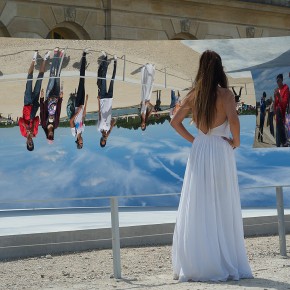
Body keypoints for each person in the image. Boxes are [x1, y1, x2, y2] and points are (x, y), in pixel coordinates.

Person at [171, 50, 252, 282]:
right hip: (220, 149)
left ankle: (198, 261)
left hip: (200, 149)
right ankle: (222, 258)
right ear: (219, 69)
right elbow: (234, 121)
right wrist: (236, 142)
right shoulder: (225, 94)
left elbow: (174, 122)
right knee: (222, 202)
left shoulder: (194, 95)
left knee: (198, 201)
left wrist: (195, 140)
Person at [18, 50, 50, 151]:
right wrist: (32, 128)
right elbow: (37, 119)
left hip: (27, 104)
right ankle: (45, 59)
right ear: (33, 143)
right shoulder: (35, 133)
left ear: (27, 143)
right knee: (40, 80)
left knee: (29, 80)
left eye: (29, 144)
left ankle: (33, 60)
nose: (30, 142)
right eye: (32, 144)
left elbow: (20, 120)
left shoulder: (23, 133)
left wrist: (26, 127)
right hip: (35, 104)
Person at [40, 47, 64, 144]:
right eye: (52, 137)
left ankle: (55, 54)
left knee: (52, 74)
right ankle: (59, 57)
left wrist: (41, 98)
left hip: (48, 96)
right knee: (58, 75)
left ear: (47, 135)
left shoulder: (44, 125)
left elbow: (42, 111)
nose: (51, 135)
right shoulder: (56, 125)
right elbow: (58, 110)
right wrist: (61, 98)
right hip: (57, 97)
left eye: (49, 137)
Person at [97, 51, 117, 147]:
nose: (104, 138)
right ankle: (115, 62)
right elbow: (114, 121)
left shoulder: (99, 128)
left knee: (103, 78)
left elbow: (99, 113)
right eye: (104, 140)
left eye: (102, 140)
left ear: (100, 139)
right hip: (109, 99)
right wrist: (109, 133)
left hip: (102, 99)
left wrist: (98, 100)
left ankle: (105, 58)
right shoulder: (108, 128)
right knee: (113, 79)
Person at [70, 50, 89, 149]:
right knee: (83, 82)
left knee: (81, 82)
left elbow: (71, 121)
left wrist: (78, 111)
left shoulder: (75, 133)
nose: (82, 142)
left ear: (77, 142)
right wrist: (86, 102)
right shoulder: (82, 130)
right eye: (82, 144)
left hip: (77, 105)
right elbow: (84, 116)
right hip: (82, 104)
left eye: (81, 143)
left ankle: (84, 56)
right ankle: (83, 64)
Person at [274, 73, 289, 147]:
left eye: (279, 80)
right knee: (277, 139)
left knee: (281, 131)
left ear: (282, 80)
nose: (278, 82)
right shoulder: (277, 90)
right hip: (278, 116)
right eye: (277, 81)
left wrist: (279, 97)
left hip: (282, 114)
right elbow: (276, 103)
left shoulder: (286, 88)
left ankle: (284, 142)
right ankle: (281, 143)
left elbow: (285, 103)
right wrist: (275, 97)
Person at [140, 63, 155, 130]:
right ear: (145, 125)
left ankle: (144, 70)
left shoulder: (140, 116)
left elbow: (141, 107)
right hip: (147, 99)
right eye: (143, 126)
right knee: (149, 85)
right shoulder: (147, 116)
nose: (142, 125)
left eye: (141, 126)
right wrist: (148, 103)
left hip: (143, 99)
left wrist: (141, 103)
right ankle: (151, 69)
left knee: (143, 85)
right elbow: (152, 108)